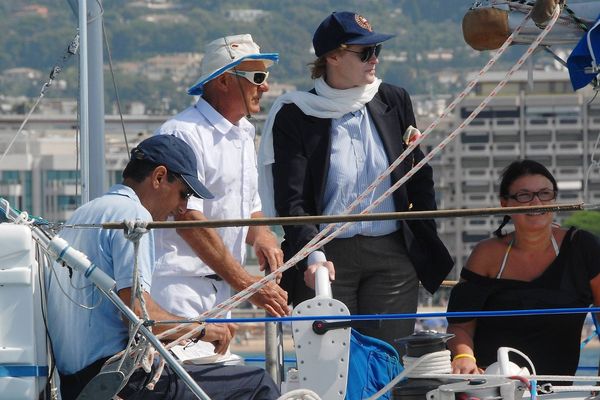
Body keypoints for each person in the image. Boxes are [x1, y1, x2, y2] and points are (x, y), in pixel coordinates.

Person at [257, 11, 453, 353]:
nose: (374, 59)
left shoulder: (394, 99)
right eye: (365, 52)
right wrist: (312, 255)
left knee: (388, 361)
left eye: (377, 50)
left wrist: (423, 233)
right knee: (331, 363)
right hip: (326, 258)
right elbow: (292, 199)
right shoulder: (296, 113)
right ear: (332, 57)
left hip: (393, 253)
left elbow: (419, 175)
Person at [45, 135, 279, 400]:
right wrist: (202, 329)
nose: (182, 207)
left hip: (76, 384)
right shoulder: (134, 216)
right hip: (118, 381)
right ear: (158, 177)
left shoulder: (82, 215)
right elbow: (137, 313)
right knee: (258, 383)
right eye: (184, 193)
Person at [152, 34, 289, 320]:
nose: (265, 86)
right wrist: (247, 284)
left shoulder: (244, 132)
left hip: (221, 293)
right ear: (224, 81)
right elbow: (189, 220)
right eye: (257, 76)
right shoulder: (183, 134)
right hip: (179, 291)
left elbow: (248, 207)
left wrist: (263, 235)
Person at [447, 159, 600, 378]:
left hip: (555, 386)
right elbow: (459, 326)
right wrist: (464, 359)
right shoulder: (486, 254)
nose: (536, 202)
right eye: (524, 195)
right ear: (505, 204)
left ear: (554, 199)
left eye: (545, 193)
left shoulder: (583, 247)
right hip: (489, 381)